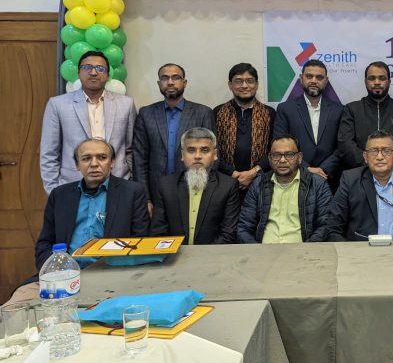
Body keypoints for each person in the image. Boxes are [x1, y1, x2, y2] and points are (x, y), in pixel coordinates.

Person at [6, 138, 149, 304]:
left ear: (112, 162)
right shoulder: (60, 195)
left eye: (102, 157)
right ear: (77, 164)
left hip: (112, 276)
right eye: (86, 158)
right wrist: (56, 271)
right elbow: (44, 244)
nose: (94, 164)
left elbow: (140, 244)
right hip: (62, 277)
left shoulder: (131, 192)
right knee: (15, 305)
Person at [40, 50, 137, 194]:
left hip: (118, 184)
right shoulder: (57, 104)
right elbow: (49, 153)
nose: (93, 72)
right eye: (87, 67)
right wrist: (54, 191)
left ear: (107, 74)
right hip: (72, 185)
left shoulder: (126, 104)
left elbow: (131, 149)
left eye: (100, 68)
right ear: (79, 73)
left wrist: (131, 184)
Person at [132, 63, 215, 213]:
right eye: (165, 78)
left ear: (184, 82)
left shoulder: (203, 112)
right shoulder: (146, 113)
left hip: (193, 190)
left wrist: (206, 196)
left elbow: (211, 157)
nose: (170, 82)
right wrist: (146, 198)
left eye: (176, 77)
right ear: (159, 84)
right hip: (156, 193)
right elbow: (139, 159)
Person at [327, 130, 393, 241]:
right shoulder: (350, 181)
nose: (380, 157)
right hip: (361, 250)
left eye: (386, 151)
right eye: (373, 151)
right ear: (365, 156)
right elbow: (333, 228)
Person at [150, 128, 239, 245]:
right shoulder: (166, 185)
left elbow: (228, 234)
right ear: (182, 155)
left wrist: (204, 256)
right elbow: (158, 232)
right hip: (175, 254)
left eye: (205, 150)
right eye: (191, 150)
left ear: (215, 155)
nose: (197, 156)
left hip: (213, 255)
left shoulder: (228, 186)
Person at [237, 135, 331, 243]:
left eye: (289, 155)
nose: (282, 160)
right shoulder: (258, 184)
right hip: (263, 251)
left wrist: (306, 250)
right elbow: (244, 228)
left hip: (302, 251)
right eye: (276, 155)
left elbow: (326, 225)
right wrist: (257, 251)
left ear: (300, 158)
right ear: (269, 159)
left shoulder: (317, 184)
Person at [274, 59, 343, 184]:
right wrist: (306, 168)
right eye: (309, 76)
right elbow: (280, 144)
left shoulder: (339, 110)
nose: (314, 81)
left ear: (326, 80)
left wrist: (324, 169)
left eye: (319, 77)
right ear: (301, 78)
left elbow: (342, 146)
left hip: (329, 178)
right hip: (295, 178)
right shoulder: (285, 109)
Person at [213, 63, 276, 195]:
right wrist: (233, 173)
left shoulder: (269, 113)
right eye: (238, 81)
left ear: (256, 84)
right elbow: (213, 150)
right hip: (224, 181)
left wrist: (253, 172)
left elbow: (273, 149)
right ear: (230, 85)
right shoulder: (218, 112)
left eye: (250, 81)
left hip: (261, 181)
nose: (244, 85)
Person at [338, 61, 393, 170]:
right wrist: (370, 163)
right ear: (365, 82)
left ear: (389, 81)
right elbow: (345, 144)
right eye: (372, 78)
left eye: (382, 78)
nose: (377, 82)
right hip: (359, 172)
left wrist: (386, 163)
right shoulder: (351, 109)